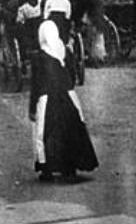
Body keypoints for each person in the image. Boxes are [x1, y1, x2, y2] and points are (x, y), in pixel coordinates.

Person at [29, 20, 99, 183]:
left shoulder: (39, 57)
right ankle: (70, 166)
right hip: (67, 95)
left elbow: (36, 84)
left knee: (45, 133)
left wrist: (32, 107)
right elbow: (73, 74)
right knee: (72, 128)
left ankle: (47, 169)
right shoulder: (65, 51)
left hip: (47, 98)